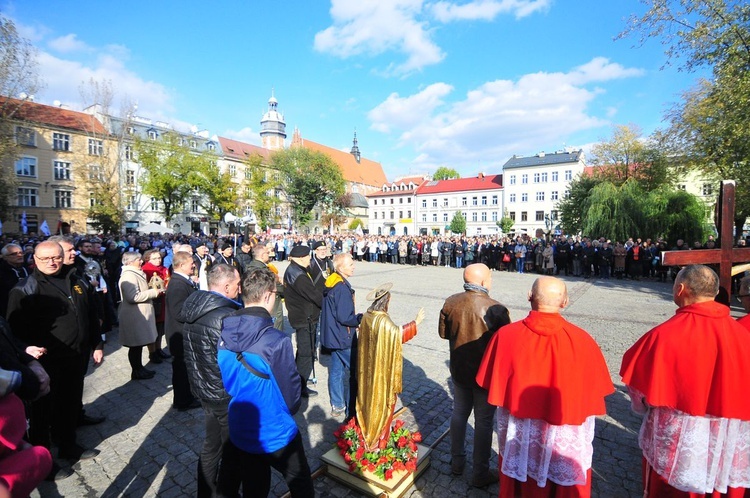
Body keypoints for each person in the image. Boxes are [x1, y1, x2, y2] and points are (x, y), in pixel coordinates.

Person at [476, 276, 614, 498]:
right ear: (565, 301)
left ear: (529, 297)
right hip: (563, 436)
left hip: (522, 437)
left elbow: (488, 383)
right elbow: (595, 392)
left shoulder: (505, 336)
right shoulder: (584, 341)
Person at [620, 265, 750, 497]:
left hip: (678, 442)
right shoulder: (742, 334)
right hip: (726, 436)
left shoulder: (663, 335)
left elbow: (638, 391)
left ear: (680, 289)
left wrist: (642, 406)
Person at [217, 268, 314, 498]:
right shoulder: (276, 340)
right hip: (274, 428)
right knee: (300, 483)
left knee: (254, 485)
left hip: (241, 423)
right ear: (269, 296)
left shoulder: (224, 331)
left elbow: (227, 380)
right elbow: (291, 396)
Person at [6, 241, 103, 474]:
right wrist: (27, 354)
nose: (51, 262)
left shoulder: (76, 279)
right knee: (43, 413)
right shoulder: (25, 289)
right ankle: (44, 462)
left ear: (62, 256)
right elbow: (13, 331)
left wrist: (96, 344)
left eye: (56, 257)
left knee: (70, 404)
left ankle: (68, 445)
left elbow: (90, 316)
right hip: (45, 363)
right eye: (45, 258)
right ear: (35, 260)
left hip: (76, 357)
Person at [439, 263, 510, 488]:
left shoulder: (451, 302)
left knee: (459, 413)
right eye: (489, 277)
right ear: (481, 282)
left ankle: (457, 463)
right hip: (484, 375)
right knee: (484, 421)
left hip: (460, 371)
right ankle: (480, 472)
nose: (491, 280)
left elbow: (443, 333)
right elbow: (506, 345)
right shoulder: (496, 309)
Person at [182, 264, 243, 498]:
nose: (240, 289)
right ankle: (226, 493)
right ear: (226, 286)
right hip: (223, 393)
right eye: (237, 284)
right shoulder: (226, 315)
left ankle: (205, 492)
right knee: (231, 450)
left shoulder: (195, 305)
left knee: (211, 447)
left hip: (204, 389)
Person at [356, 283, 424, 451]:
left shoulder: (367, 316)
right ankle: (377, 441)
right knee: (382, 403)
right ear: (387, 301)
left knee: (366, 400)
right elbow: (397, 335)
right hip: (380, 372)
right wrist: (416, 322)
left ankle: (365, 431)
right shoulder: (382, 319)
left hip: (367, 370)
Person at [320, 253, 362, 419]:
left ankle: (337, 405)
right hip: (343, 337)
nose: (353, 266)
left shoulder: (333, 282)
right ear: (340, 268)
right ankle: (352, 409)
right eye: (350, 264)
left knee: (336, 372)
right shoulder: (341, 288)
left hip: (333, 336)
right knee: (356, 372)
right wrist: (360, 318)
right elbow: (345, 317)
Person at [283, 245, 323, 397]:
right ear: (300, 258)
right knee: (306, 353)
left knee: (303, 352)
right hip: (305, 319)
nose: (310, 259)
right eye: (308, 257)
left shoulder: (295, 269)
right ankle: (299, 387)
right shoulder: (298, 275)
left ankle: (297, 383)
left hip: (301, 317)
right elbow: (315, 296)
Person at [118, 251, 164, 380]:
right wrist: (153, 292)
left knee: (138, 345)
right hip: (134, 315)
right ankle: (136, 370)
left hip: (139, 315)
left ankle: (139, 368)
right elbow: (133, 297)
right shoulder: (128, 276)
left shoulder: (134, 273)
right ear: (130, 262)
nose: (141, 261)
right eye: (138, 259)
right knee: (135, 345)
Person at [165, 252, 200, 411]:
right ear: (181, 265)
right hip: (179, 335)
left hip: (183, 334)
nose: (194, 265)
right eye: (191, 263)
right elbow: (178, 313)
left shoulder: (183, 281)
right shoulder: (178, 284)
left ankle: (185, 397)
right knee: (181, 370)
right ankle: (182, 401)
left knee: (185, 369)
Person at [141, 249, 172, 364]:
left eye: (159, 258)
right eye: (155, 258)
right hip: (153, 302)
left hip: (163, 301)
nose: (158, 260)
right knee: (153, 328)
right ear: (148, 259)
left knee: (160, 328)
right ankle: (152, 352)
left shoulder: (164, 269)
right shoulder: (145, 269)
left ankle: (158, 349)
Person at [245, 244, 284, 327]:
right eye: (267, 253)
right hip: (270, 300)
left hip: (257, 300)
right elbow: (274, 285)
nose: (269, 254)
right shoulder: (262, 269)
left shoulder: (250, 266)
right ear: (262, 255)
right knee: (276, 323)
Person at [0, 244, 29, 318]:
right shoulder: (2, 273)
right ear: (5, 257)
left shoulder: (28, 269)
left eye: (21, 252)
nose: (19, 255)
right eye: (14, 254)